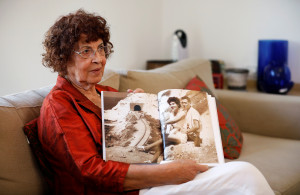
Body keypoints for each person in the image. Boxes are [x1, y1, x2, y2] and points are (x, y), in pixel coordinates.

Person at [26, 9, 274, 195]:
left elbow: (140, 145)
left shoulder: (105, 93)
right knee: (244, 176)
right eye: (86, 51)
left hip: (149, 176)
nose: (98, 59)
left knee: (238, 172)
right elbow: (88, 171)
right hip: (125, 189)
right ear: (63, 57)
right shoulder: (59, 105)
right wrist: (167, 173)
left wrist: (147, 112)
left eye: (101, 49)